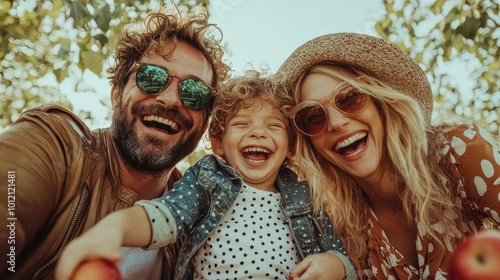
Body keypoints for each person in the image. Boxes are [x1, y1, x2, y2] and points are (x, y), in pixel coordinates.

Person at [54, 70, 358, 280]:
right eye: (242, 124)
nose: (257, 132)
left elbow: (344, 260)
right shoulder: (209, 179)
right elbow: (165, 216)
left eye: (274, 126)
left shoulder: (305, 196)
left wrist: (336, 265)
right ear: (218, 143)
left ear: (290, 145)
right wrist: (116, 227)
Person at [0, 6, 230, 280]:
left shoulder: (202, 220)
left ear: (204, 124)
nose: (170, 99)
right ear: (116, 93)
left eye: (195, 93)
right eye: (152, 78)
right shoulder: (55, 143)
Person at [277, 32, 500, 279]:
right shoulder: (340, 228)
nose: (337, 123)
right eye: (314, 117)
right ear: (310, 142)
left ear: (380, 103)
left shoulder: (456, 150)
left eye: (349, 98)